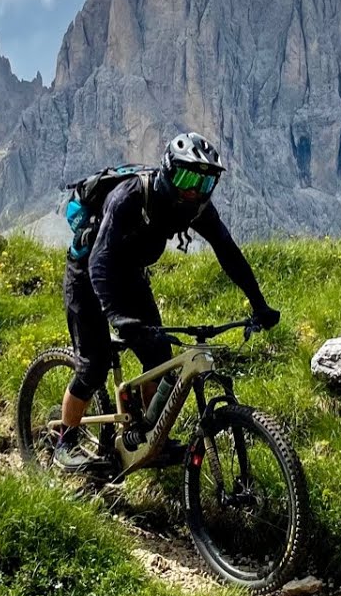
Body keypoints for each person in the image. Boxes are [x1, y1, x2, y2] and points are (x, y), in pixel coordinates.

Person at [54, 131, 281, 471]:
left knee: (159, 357)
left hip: (131, 276)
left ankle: (149, 438)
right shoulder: (129, 196)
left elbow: (228, 253)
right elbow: (99, 261)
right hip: (87, 276)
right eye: (187, 178)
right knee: (94, 363)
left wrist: (259, 304)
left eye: (204, 184)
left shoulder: (196, 208)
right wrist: (117, 316)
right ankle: (64, 440)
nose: (193, 191)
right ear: (167, 170)